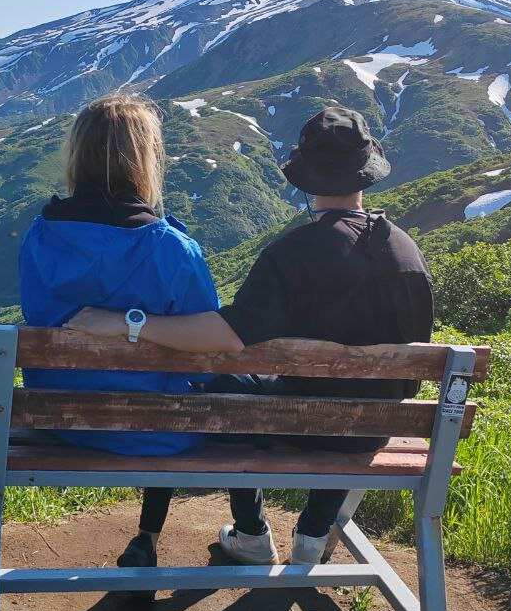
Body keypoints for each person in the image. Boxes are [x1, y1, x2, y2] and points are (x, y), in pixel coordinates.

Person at [68, 105, 434, 568]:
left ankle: (251, 533)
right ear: (365, 175)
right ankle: (313, 534)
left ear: (307, 179)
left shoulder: (292, 252)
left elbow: (225, 335)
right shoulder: (406, 250)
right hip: (375, 430)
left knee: (223, 387)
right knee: (360, 400)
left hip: (298, 425)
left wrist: (128, 323)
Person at [18, 93, 219, 569]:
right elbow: (213, 342)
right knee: (190, 390)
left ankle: (149, 538)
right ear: (145, 157)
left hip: (60, 421)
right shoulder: (171, 249)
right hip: (158, 430)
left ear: (78, 155)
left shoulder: (40, 239)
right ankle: (178, 535)